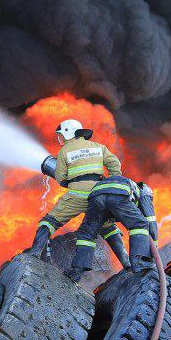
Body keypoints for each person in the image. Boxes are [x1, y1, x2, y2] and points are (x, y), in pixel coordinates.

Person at [27, 119, 129, 265]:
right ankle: (126, 262)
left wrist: (70, 181)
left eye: (61, 135)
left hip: (77, 195)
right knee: (107, 226)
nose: (60, 139)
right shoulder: (98, 147)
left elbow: (61, 178)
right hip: (98, 195)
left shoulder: (65, 151)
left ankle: (34, 254)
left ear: (68, 133)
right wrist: (110, 183)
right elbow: (115, 163)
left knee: (49, 222)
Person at [64, 176, 157, 283]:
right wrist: (152, 254)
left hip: (96, 195)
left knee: (87, 234)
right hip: (118, 195)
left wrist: (126, 263)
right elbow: (151, 223)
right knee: (140, 225)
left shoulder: (125, 183)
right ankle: (140, 264)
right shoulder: (146, 194)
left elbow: (109, 228)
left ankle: (76, 272)